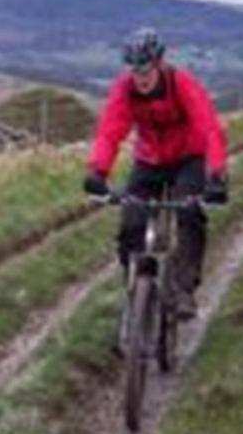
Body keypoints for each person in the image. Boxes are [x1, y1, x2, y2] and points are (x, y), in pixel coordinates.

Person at [83, 27, 228, 320]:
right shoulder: (125, 89)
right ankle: (135, 292)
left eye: (146, 69)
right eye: (135, 70)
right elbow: (110, 132)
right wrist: (97, 172)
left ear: (160, 63)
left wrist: (216, 176)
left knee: (190, 215)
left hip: (188, 156)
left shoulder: (183, 84)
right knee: (131, 223)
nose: (141, 77)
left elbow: (210, 129)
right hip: (149, 160)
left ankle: (184, 289)